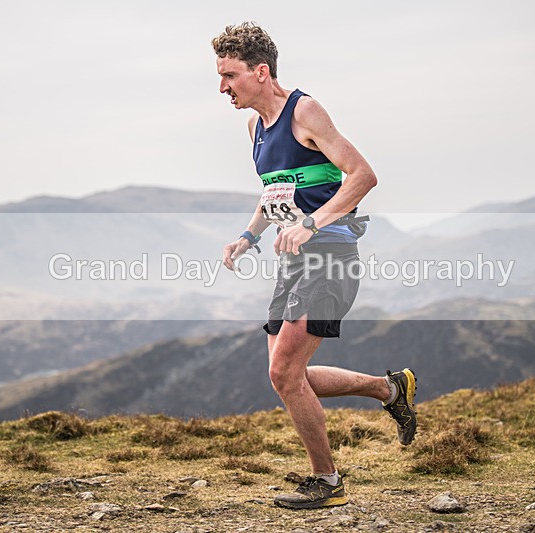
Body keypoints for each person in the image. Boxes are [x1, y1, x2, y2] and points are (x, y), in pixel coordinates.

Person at [213, 22, 416, 510]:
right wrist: (248, 235)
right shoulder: (254, 127)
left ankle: (327, 483)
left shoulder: (304, 110)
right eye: (220, 77)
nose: (222, 87)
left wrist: (313, 223)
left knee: (284, 373)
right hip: (293, 262)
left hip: (332, 258)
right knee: (287, 375)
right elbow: (276, 192)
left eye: (230, 75)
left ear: (261, 72)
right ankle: (390, 389)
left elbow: (363, 175)